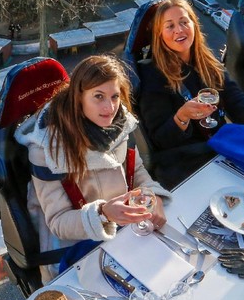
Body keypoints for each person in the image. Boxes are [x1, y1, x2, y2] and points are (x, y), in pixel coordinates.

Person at [14, 55, 169, 282]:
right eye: (99, 97)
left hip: (121, 234)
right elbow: (57, 222)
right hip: (75, 251)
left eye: (115, 96)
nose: (110, 107)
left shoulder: (117, 125)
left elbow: (134, 171)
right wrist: (103, 213)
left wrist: (152, 195)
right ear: (79, 97)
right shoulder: (46, 149)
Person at [137, 0, 244, 188]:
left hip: (220, 147)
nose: (179, 30)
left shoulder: (206, 61)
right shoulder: (152, 74)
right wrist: (182, 117)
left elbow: (236, 99)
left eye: (184, 22)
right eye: (170, 26)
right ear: (159, 34)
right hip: (186, 160)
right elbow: (160, 140)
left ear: (194, 25)